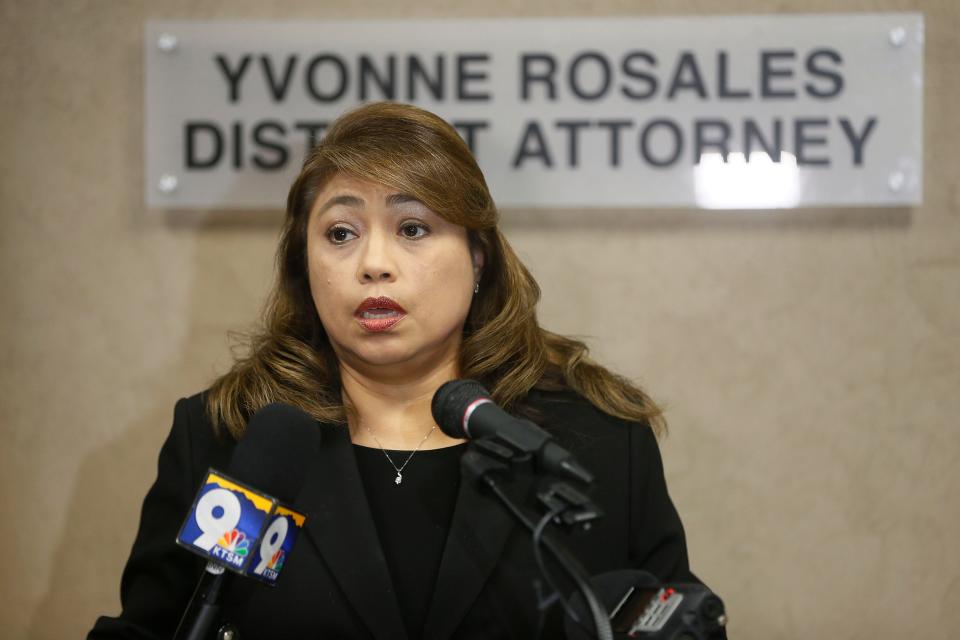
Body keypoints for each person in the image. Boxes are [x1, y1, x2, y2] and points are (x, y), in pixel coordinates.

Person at [89, 102, 710, 639]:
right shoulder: (234, 439)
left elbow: (680, 620)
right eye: (340, 233)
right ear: (304, 270)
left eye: (412, 227)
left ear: (477, 260)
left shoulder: (593, 443)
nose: (374, 263)